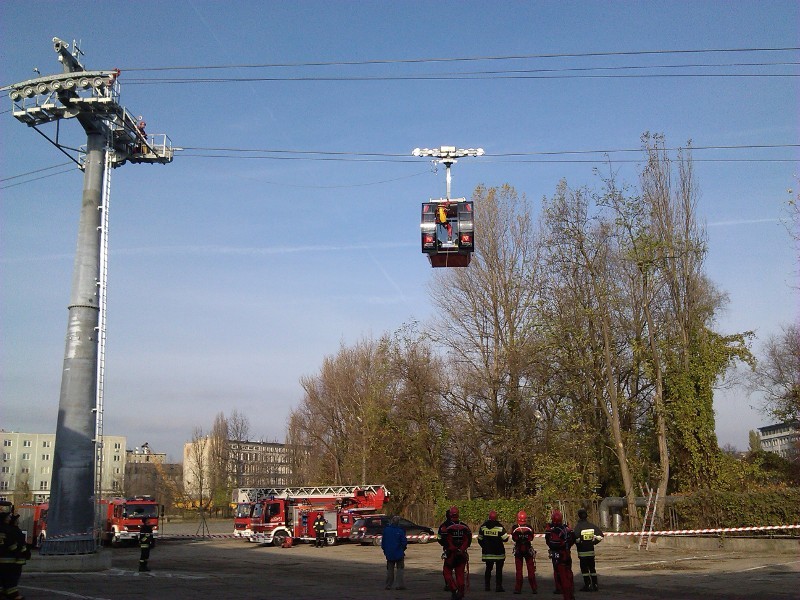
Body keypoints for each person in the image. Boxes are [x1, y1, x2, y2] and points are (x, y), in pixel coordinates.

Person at [441, 506, 472, 600]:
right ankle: (461, 592)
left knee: (447, 572)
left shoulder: (445, 526)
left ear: (449, 514)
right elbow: (468, 540)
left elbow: (441, 539)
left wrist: (449, 548)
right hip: (461, 555)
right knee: (460, 574)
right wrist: (461, 549)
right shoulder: (464, 527)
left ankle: (454, 589)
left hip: (450, 554)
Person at [544, 510, 576, 600]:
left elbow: (548, 542)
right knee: (568, 571)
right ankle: (571, 589)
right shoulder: (566, 528)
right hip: (566, 553)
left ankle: (561, 590)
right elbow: (573, 538)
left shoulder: (551, 530)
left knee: (559, 573)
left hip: (557, 554)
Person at [478, 509, 510, 592]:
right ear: (496, 518)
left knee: (488, 569)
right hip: (498, 553)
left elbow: (480, 539)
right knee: (499, 570)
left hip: (487, 553)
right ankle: (498, 587)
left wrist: (484, 547)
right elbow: (505, 538)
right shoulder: (499, 527)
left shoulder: (483, 527)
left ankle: (487, 586)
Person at [573, 508, 603, 592]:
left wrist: (580, 543)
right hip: (591, 551)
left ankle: (587, 585)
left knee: (585, 570)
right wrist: (593, 542)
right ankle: (595, 584)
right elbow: (600, 536)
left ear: (579, 516)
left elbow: (575, 538)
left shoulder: (578, 527)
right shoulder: (592, 526)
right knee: (592, 569)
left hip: (582, 552)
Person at [510, 510, 538, 595]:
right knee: (531, 570)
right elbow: (531, 538)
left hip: (518, 551)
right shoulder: (529, 528)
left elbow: (514, 538)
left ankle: (518, 589)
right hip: (528, 550)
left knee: (519, 571)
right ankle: (534, 588)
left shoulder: (515, 528)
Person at [381, 515, 408, 590]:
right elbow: (404, 542)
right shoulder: (400, 531)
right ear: (398, 522)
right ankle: (399, 585)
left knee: (390, 569)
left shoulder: (386, 530)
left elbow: (383, 542)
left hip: (389, 553)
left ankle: (388, 585)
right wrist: (402, 549)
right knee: (400, 569)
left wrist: (385, 550)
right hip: (399, 552)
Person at [7, 514, 30, 600]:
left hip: (14, 559)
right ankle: (13, 595)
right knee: (13, 578)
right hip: (16, 559)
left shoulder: (10, 530)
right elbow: (19, 545)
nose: (18, 521)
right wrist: (25, 552)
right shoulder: (15, 531)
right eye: (17, 519)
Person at [0, 511, 16, 599]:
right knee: (9, 580)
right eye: (8, 517)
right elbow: (12, 545)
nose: (10, 518)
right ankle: (12, 595)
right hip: (8, 559)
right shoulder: (8, 530)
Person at [437, 508, 455, 591]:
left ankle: (448, 584)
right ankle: (459, 584)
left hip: (448, 550)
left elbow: (439, 538)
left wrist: (444, 545)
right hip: (460, 550)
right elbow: (467, 537)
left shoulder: (443, 526)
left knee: (447, 569)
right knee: (459, 570)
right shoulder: (461, 525)